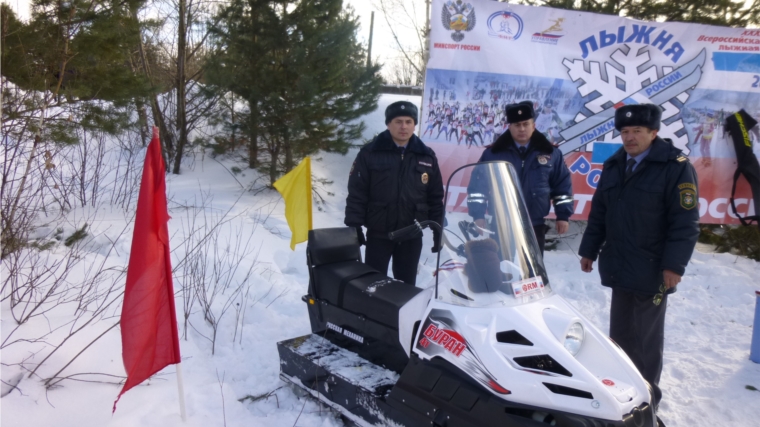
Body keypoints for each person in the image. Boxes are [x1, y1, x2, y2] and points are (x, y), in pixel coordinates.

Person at [578, 104, 700, 417]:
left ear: (654, 132)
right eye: (625, 132)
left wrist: (674, 266)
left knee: (645, 345)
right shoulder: (615, 164)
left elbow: (684, 222)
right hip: (620, 265)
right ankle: (622, 398)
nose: (630, 138)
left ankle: (647, 407)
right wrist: (589, 249)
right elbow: (600, 212)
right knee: (619, 339)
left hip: (653, 270)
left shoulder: (675, 166)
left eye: (637, 131)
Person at [344, 101, 444, 286]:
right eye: (398, 121)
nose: (403, 126)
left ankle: (405, 316)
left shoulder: (427, 156)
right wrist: (354, 226)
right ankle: (373, 315)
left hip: (412, 234)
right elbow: (357, 192)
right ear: (388, 124)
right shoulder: (370, 153)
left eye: (408, 121)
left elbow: (435, 196)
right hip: (379, 233)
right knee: (372, 285)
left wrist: (438, 228)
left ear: (415, 125)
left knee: (406, 287)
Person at [469, 101, 573, 254]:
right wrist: (478, 214)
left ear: (534, 125)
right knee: (503, 272)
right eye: (517, 125)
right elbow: (478, 188)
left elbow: (562, 186)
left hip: (534, 225)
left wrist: (563, 215)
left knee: (533, 274)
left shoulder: (551, 154)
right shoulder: (492, 154)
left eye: (526, 124)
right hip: (502, 225)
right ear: (509, 127)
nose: (522, 129)